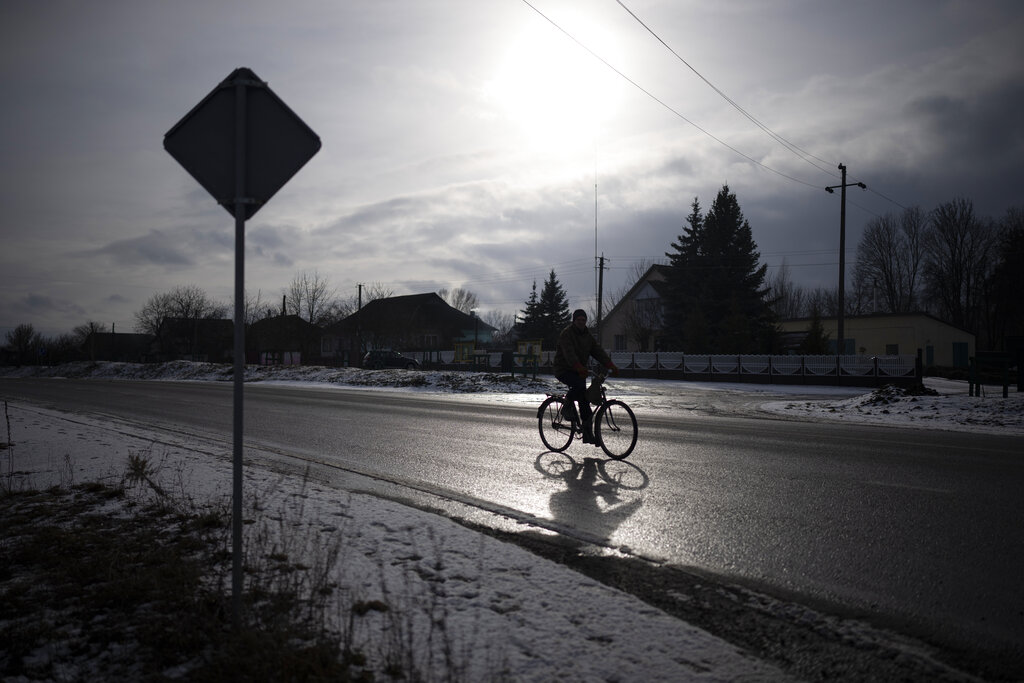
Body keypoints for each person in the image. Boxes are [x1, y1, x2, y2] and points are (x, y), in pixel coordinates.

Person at [553, 309, 619, 444]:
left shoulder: (587, 336)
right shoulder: (567, 334)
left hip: (579, 371)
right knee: (577, 385)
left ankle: (588, 434)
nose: (581, 322)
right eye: (579, 320)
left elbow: (597, 351)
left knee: (584, 401)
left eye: (583, 320)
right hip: (563, 369)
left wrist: (610, 364)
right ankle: (566, 406)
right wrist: (578, 366)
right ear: (574, 321)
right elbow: (569, 353)